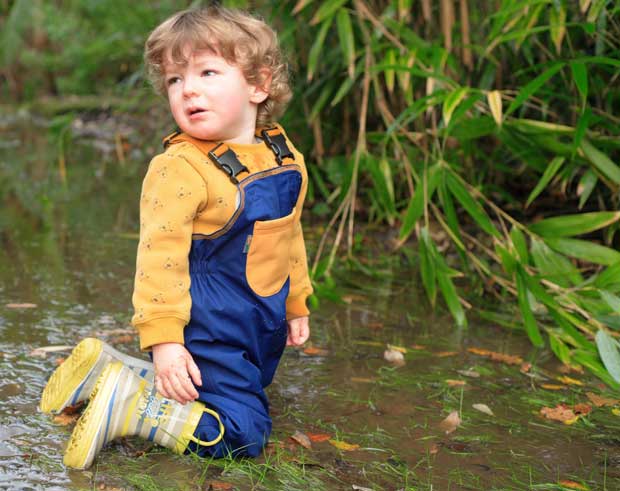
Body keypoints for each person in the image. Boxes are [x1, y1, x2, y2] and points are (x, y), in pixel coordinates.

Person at [44, 5, 313, 469]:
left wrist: (296, 302)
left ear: (258, 84)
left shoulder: (281, 153)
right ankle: (132, 409)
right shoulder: (180, 167)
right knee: (244, 434)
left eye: (208, 72)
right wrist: (166, 341)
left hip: (256, 320)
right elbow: (158, 260)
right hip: (207, 328)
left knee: (243, 387)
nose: (188, 88)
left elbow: (288, 235)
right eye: (174, 79)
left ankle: (113, 375)